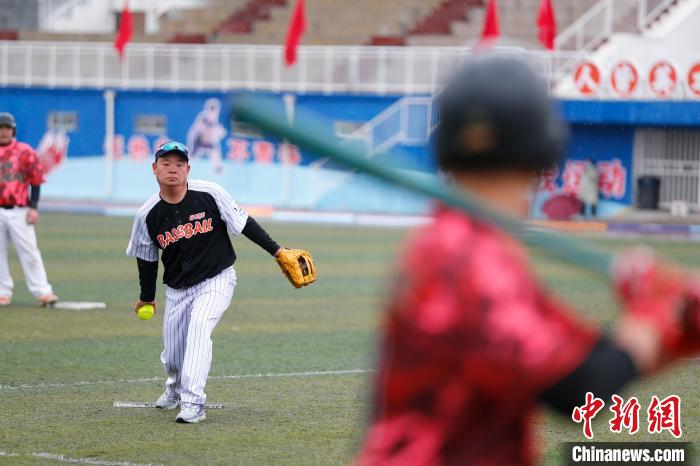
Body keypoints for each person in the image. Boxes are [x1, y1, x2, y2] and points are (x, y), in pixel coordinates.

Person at [356, 54, 700, 465]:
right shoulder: (468, 257)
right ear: (543, 147)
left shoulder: (460, 244)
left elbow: (583, 361)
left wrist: (673, 330)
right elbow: (577, 391)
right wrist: (656, 315)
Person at [126, 141, 288, 424]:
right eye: (166, 163)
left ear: (188, 169)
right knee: (174, 356)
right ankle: (175, 389)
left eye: (179, 164)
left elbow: (244, 222)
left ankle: (193, 403)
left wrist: (277, 251)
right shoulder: (147, 215)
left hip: (217, 279)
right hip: (177, 290)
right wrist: (147, 296)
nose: (172, 169)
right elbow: (147, 259)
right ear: (154, 169)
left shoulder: (210, 193)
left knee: (199, 328)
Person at [0, 112, 57, 307]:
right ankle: (2, 292)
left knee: (29, 251)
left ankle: (43, 291)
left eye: (7, 128)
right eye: (1, 128)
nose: (4, 131)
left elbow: (36, 180)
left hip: (19, 209)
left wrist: (34, 207)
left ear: (13, 130)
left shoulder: (24, 151)